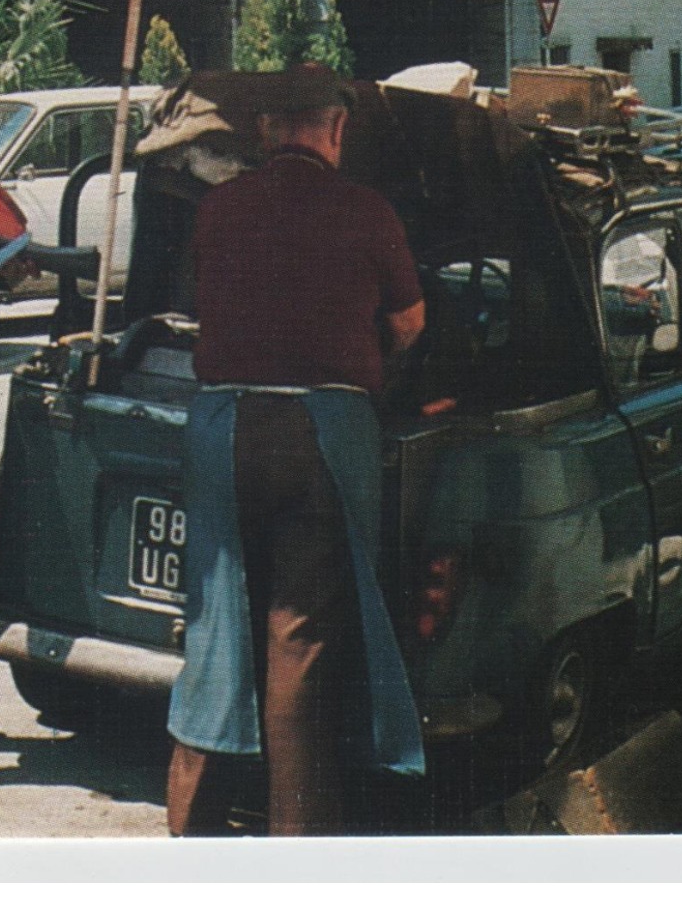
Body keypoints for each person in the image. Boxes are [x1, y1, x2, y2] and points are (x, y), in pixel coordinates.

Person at [166, 68, 428, 836]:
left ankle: (191, 832)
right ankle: (297, 847)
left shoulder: (218, 207)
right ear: (337, 131)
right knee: (297, 636)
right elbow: (410, 322)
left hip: (220, 427)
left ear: (266, 131)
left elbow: (200, 302)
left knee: (214, 624)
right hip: (320, 429)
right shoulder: (366, 208)